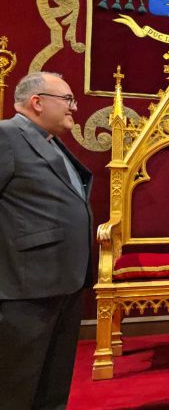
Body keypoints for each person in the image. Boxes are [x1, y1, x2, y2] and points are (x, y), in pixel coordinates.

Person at [0, 72, 93, 408]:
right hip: (26, 288)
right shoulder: (6, 136)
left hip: (64, 282)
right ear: (37, 102)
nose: (74, 107)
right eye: (67, 99)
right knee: (16, 385)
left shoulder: (50, 141)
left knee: (53, 383)